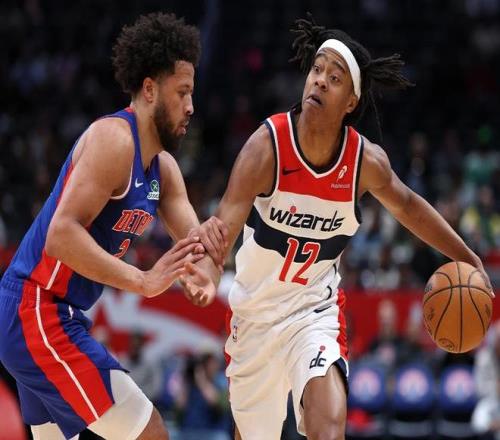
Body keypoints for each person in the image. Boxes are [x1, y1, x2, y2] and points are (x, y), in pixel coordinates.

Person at [184, 15, 495, 440]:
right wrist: (207, 269)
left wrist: (467, 257)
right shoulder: (267, 147)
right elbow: (224, 223)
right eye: (316, 70)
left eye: (335, 77)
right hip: (255, 316)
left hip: (314, 310)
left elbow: (410, 207)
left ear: (351, 101)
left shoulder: (364, 162)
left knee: (329, 428)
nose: (319, 81)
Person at [0, 12, 225, 440]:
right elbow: (60, 235)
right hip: (36, 308)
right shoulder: (115, 140)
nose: (191, 106)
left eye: (192, 94)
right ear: (149, 89)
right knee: (151, 432)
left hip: (54, 316)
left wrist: (207, 276)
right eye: (182, 92)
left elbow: (197, 251)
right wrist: (142, 280)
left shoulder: (164, 170)